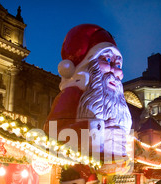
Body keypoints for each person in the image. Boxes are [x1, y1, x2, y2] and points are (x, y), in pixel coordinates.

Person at [43, 24, 132, 160]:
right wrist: (95, 129)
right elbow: (52, 134)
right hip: (75, 168)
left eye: (118, 65)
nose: (116, 72)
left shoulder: (117, 103)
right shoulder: (72, 95)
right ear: (87, 65)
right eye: (107, 60)